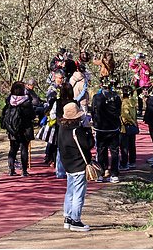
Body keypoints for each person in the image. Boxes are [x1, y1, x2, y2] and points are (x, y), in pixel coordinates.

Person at [57, 102, 95, 232]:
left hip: (68, 165)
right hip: (79, 165)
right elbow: (89, 144)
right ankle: (76, 220)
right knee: (79, 194)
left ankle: (68, 218)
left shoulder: (61, 128)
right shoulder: (77, 131)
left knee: (70, 192)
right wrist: (88, 130)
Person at [2, 81, 36, 176]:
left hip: (12, 129)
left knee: (13, 149)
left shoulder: (9, 101)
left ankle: (11, 169)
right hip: (25, 129)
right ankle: (24, 171)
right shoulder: (27, 101)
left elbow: (4, 114)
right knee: (24, 149)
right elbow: (32, 115)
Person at [91, 80, 122, 182]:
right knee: (114, 151)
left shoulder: (97, 97)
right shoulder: (117, 98)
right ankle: (114, 174)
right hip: (113, 127)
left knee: (101, 150)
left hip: (101, 128)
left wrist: (95, 122)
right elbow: (119, 111)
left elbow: (93, 111)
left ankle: (101, 173)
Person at [48, 82, 75, 179]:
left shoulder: (57, 102)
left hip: (61, 129)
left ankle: (60, 171)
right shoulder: (75, 102)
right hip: (73, 129)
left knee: (60, 150)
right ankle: (71, 170)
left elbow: (52, 115)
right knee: (72, 150)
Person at [119, 85, 138, 170]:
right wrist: (134, 123)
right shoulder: (133, 102)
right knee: (132, 145)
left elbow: (125, 115)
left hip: (125, 127)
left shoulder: (124, 103)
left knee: (124, 146)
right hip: (132, 126)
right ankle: (132, 161)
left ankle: (124, 163)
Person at [129, 53, 151, 118]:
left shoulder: (145, 64)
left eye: (141, 58)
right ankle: (140, 110)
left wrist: (142, 63)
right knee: (139, 97)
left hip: (145, 83)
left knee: (145, 97)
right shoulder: (137, 65)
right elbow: (131, 65)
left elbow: (148, 69)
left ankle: (148, 111)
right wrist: (134, 59)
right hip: (137, 82)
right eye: (139, 58)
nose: (140, 59)